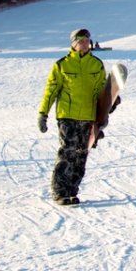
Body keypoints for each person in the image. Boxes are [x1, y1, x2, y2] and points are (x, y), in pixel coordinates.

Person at [37, 27, 106, 205]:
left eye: (87, 41)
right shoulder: (62, 65)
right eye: (81, 41)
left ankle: (71, 191)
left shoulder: (96, 65)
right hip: (66, 116)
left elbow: (101, 92)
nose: (85, 44)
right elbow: (50, 91)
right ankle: (59, 192)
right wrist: (43, 114)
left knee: (81, 154)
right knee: (68, 151)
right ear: (74, 44)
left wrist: (108, 108)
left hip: (87, 116)